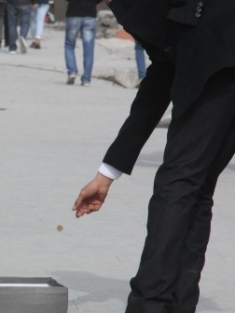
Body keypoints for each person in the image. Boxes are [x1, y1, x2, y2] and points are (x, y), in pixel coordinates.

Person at [72, 1, 235, 312]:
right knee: (195, 186)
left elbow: (169, 57)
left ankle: (151, 303)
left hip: (218, 49)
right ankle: (176, 302)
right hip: (218, 50)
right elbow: (164, 68)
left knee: (177, 183)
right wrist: (108, 171)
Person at [64, 0, 102, 86]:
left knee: (69, 44)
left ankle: (72, 71)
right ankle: (86, 79)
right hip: (90, 13)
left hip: (73, 12)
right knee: (89, 48)